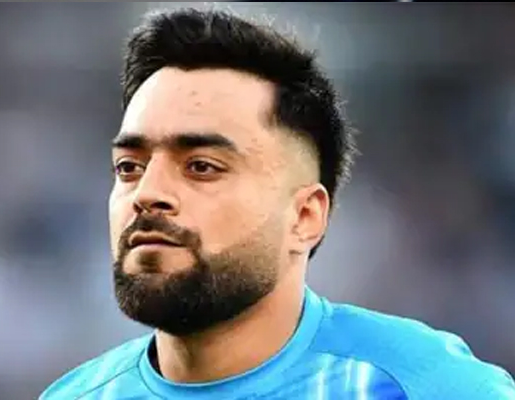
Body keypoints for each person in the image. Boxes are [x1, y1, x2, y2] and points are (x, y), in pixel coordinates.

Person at [40, 7, 515, 399]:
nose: (147, 193)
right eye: (129, 167)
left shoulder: (422, 385)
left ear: (304, 216)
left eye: (201, 166)